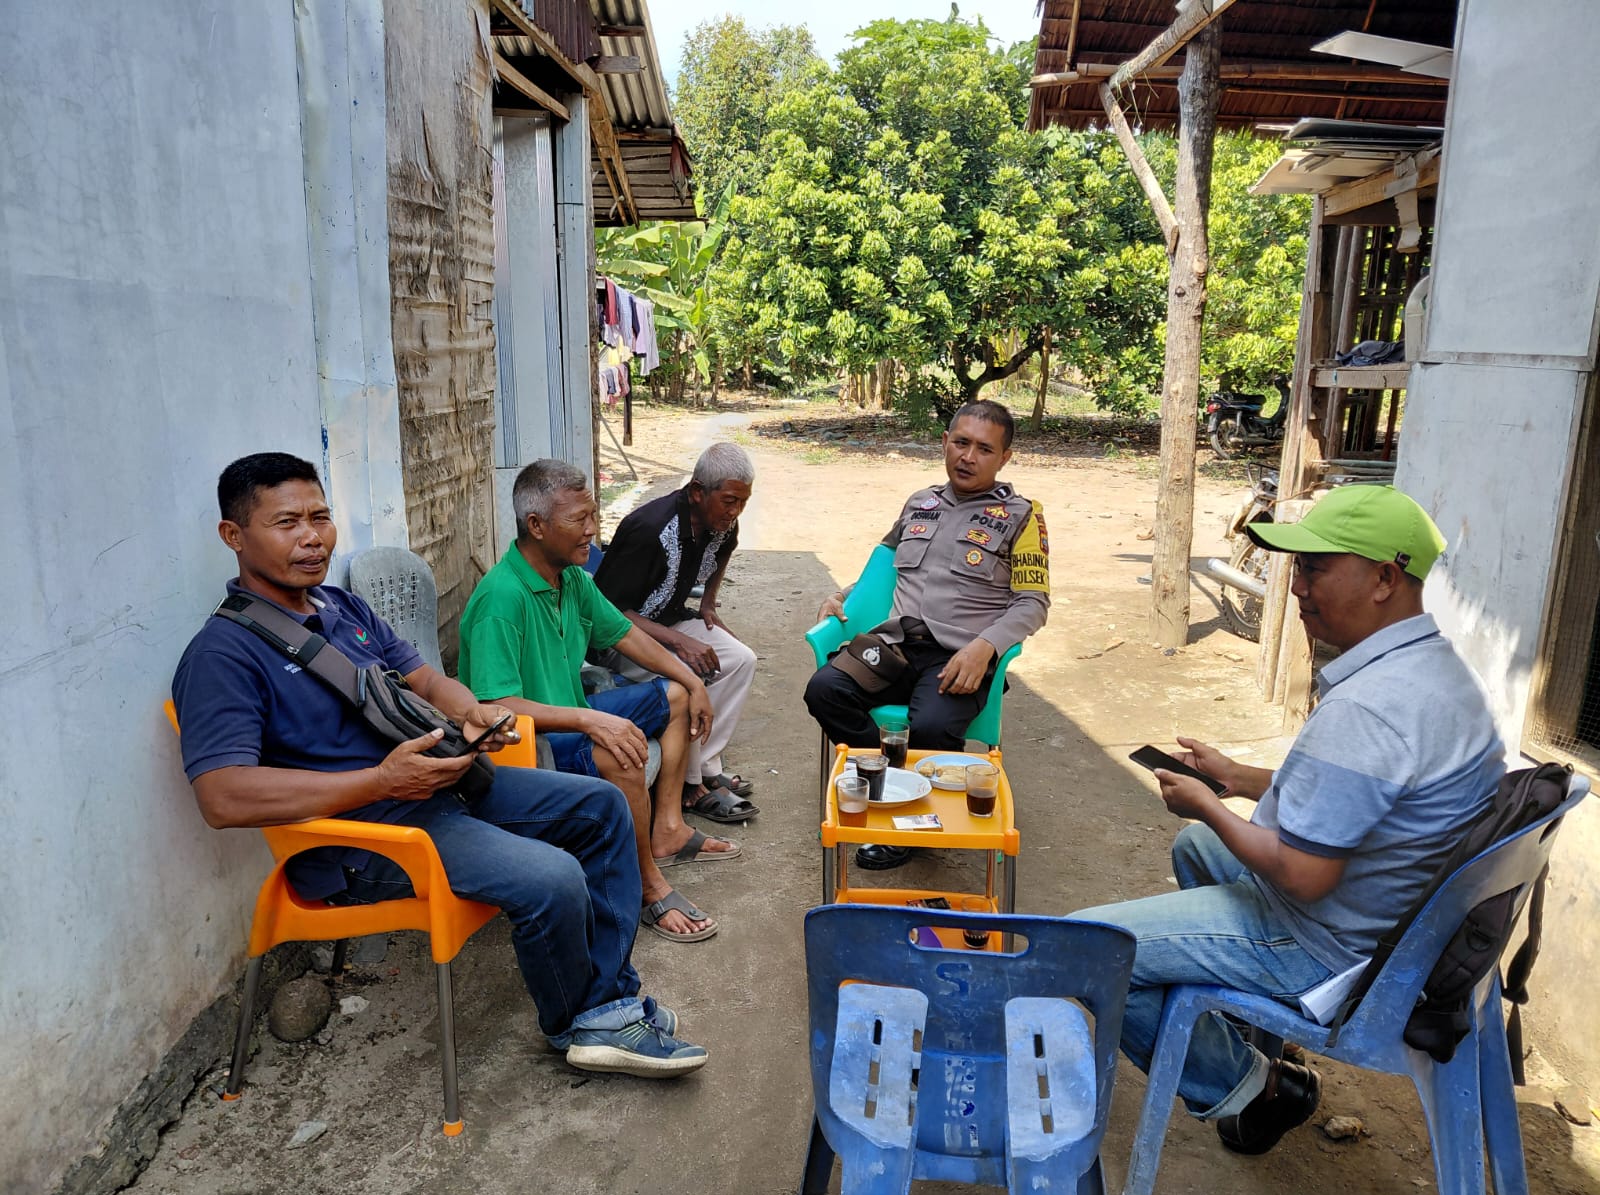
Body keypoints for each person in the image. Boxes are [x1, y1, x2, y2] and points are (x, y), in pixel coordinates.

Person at [172, 453, 706, 1078]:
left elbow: (425, 677)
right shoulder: (222, 655)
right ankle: (581, 1024)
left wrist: (473, 712)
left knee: (602, 806)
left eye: (320, 517)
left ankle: (609, 1002)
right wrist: (381, 781)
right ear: (234, 536)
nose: (312, 537)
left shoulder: (342, 610)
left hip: (436, 789)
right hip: (366, 837)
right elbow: (222, 797)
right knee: (552, 875)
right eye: (287, 523)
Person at [1076, 485, 1505, 1154]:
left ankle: (1259, 1085)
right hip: (1392, 921)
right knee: (1197, 847)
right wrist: (1237, 779)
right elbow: (1365, 799)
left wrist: (1209, 803)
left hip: (1329, 944)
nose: (1298, 587)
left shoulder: (1372, 706)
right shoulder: (1436, 673)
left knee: (1087, 950)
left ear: (1384, 579)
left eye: (1315, 569)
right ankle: (1248, 1026)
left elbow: (1304, 875)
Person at [458, 459, 739, 945]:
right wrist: (592, 721)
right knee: (621, 750)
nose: (592, 529)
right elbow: (496, 707)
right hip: (529, 749)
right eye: (579, 519)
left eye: (593, 514)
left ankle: (668, 830)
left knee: (674, 695)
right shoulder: (500, 599)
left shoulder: (571, 579)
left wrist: (692, 682)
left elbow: (625, 633)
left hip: (572, 721)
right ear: (536, 525)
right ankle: (649, 887)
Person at [803, 399, 1050, 869]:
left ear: (1004, 458)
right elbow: (883, 572)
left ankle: (909, 825)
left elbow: (1033, 603)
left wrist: (985, 647)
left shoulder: (1021, 517)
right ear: (944, 443)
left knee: (932, 727)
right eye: (960, 443)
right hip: (894, 646)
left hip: (958, 656)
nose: (968, 457)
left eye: (984, 449)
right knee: (825, 690)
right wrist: (842, 596)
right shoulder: (921, 502)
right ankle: (890, 783)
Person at [593, 443, 760, 823]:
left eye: (743, 502)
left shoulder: (721, 524)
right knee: (688, 675)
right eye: (729, 501)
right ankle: (690, 784)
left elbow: (724, 553)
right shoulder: (649, 529)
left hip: (667, 622)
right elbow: (607, 612)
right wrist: (681, 641)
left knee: (740, 659)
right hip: (620, 639)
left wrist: (708, 604)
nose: (735, 511)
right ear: (698, 491)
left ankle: (707, 764)